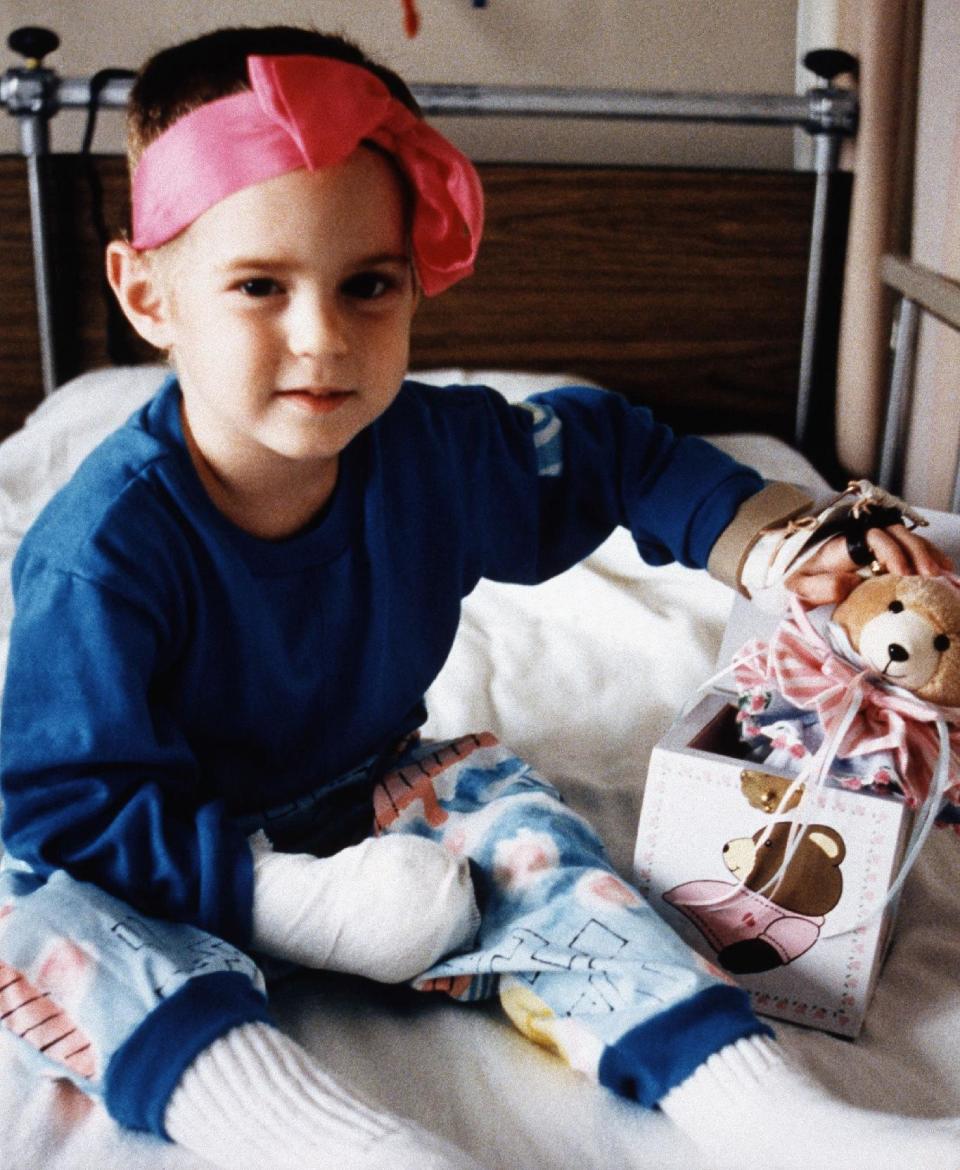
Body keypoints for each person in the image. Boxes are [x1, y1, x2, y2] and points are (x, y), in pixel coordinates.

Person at [0, 24, 956, 1170]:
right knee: (42, 930)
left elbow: (620, 457)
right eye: (260, 286)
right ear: (147, 294)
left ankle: (769, 1114)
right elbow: (69, 805)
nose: (323, 340)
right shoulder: (100, 550)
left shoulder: (432, 454)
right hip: (156, 847)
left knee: (522, 820)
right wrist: (288, 904)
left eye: (368, 287)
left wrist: (774, 544)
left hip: (355, 789)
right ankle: (337, 1143)